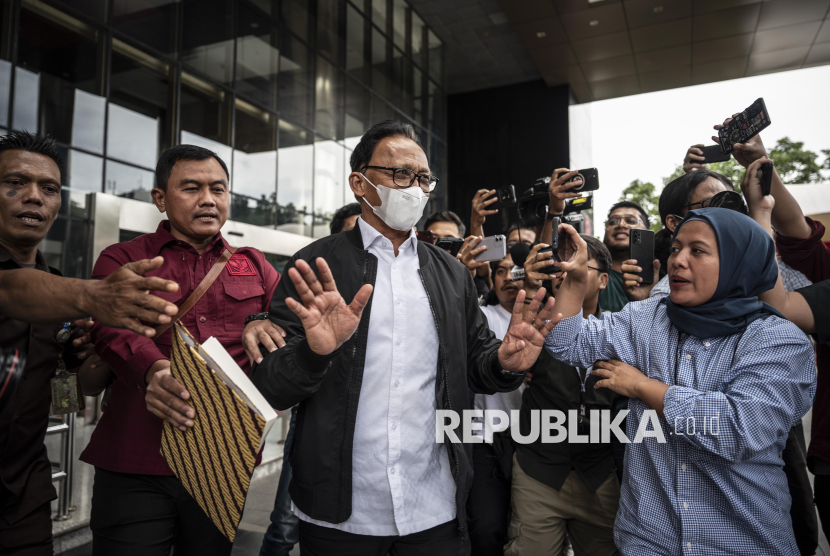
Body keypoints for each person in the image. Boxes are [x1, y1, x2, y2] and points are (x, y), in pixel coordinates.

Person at [251, 120, 559, 555]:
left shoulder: (451, 274)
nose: (414, 188)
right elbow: (270, 386)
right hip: (339, 509)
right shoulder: (315, 265)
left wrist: (504, 363)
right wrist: (314, 355)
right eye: (400, 175)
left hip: (434, 505)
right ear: (360, 183)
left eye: (423, 178)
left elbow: (475, 364)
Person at [545, 209, 815, 555]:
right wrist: (575, 280)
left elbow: (737, 429)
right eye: (675, 248)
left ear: (740, 262)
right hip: (649, 541)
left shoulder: (777, 341)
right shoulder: (647, 319)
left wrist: (644, 388)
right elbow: (567, 343)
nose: (677, 261)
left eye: (697, 251)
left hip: (742, 542)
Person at [82, 145, 282, 556]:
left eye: (219, 189)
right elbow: (108, 327)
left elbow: (290, 326)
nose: (208, 200)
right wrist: (154, 369)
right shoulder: (125, 258)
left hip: (224, 459)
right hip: (136, 458)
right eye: (191, 188)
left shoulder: (254, 264)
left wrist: (266, 322)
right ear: (160, 198)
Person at [0, 131, 176, 556]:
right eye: (15, 183)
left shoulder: (59, 290)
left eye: (49, 188)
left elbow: (77, 392)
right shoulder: (64, 292)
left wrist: (106, 349)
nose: (35, 197)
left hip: (23, 497)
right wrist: (94, 295)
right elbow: (11, 289)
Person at [506, 235, 620, 556]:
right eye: (560, 267)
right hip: (538, 470)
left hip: (599, 473)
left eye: (579, 265)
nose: (565, 273)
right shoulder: (533, 323)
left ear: (603, 280)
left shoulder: (623, 330)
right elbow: (503, 371)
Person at [465, 254, 523, 556]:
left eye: (517, 271)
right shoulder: (481, 316)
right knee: (486, 530)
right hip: (485, 439)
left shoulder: (552, 317)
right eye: (501, 271)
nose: (509, 277)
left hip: (534, 442)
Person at [622, 169, 734, 301]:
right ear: (673, 223)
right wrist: (646, 304)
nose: (725, 214)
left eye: (728, 205)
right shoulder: (664, 295)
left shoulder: (742, 270)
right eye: (711, 205)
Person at [597, 201, 650, 312]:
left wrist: (647, 299)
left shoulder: (663, 275)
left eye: (630, 221)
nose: (621, 224)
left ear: (646, 231)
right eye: (613, 222)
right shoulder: (591, 272)